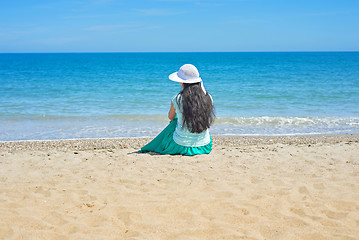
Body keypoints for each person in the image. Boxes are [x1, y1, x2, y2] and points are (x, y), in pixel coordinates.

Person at [139, 64, 215, 156]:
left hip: (180, 145)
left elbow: (170, 117)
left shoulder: (177, 98)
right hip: (204, 145)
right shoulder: (208, 97)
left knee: (174, 121)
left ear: (183, 82)